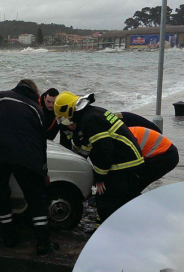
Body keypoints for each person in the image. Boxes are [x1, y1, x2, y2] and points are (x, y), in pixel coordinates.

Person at [0, 79, 57, 253]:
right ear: (36, 93)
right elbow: (41, 144)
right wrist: (44, 172)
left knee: (2, 193)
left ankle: (8, 237)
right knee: (35, 198)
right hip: (26, 156)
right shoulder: (36, 109)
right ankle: (43, 243)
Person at [53, 91, 145, 222]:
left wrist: (100, 176)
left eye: (63, 117)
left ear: (68, 110)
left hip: (122, 163)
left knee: (106, 200)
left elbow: (104, 149)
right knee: (123, 198)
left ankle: (107, 232)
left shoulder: (88, 120)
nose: (65, 122)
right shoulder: (94, 112)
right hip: (129, 160)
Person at [130, 125, 179, 192]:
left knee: (133, 186)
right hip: (161, 150)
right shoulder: (121, 133)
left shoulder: (123, 142)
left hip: (165, 155)